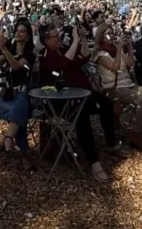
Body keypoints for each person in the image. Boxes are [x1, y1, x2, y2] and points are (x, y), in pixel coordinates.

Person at [40, 22, 120, 182]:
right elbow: (62, 64)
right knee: (81, 117)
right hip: (60, 102)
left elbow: (84, 57)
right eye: (54, 37)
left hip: (82, 93)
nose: (58, 39)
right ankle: (94, 162)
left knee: (106, 103)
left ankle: (111, 144)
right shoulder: (46, 56)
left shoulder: (63, 49)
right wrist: (75, 40)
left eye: (58, 36)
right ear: (45, 40)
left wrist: (82, 39)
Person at [93, 24, 142, 146]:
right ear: (101, 37)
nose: (111, 36)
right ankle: (135, 133)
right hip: (112, 87)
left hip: (127, 83)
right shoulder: (100, 54)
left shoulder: (117, 48)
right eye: (107, 34)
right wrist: (118, 50)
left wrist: (129, 46)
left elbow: (131, 63)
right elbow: (115, 67)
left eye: (112, 33)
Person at [0, 19, 35, 165]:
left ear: (28, 35)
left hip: (25, 95)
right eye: (17, 31)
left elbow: (16, 66)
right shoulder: (9, 49)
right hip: (7, 98)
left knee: (20, 105)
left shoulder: (30, 53)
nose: (18, 33)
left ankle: (9, 139)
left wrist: (4, 49)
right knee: (19, 113)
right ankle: (24, 156)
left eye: (22, 31)